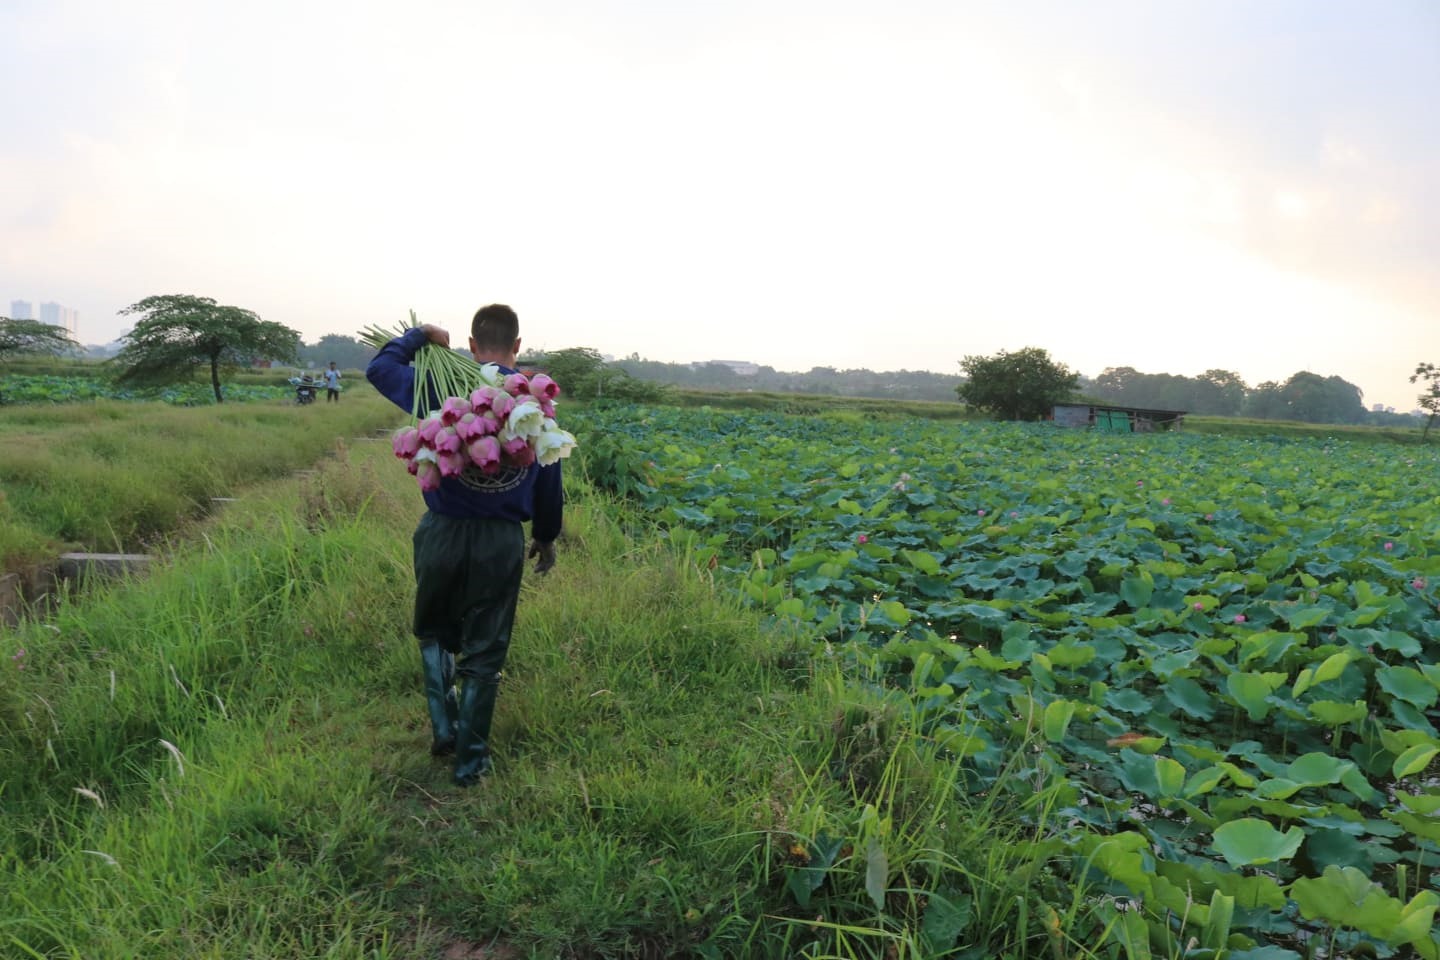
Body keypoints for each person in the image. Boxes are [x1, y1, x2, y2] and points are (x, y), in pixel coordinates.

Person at [366, 304, 562, 786]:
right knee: (486, 645)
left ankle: (444, 727)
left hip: (442, 532)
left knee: (434, 630)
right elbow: (548, 478)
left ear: (471, 346)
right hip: (500, 540)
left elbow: (378, 369)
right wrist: (546, 536)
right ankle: (470, 761)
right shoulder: (531, 401)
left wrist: (421, 336)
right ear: (517, 346)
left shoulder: (440, 385)